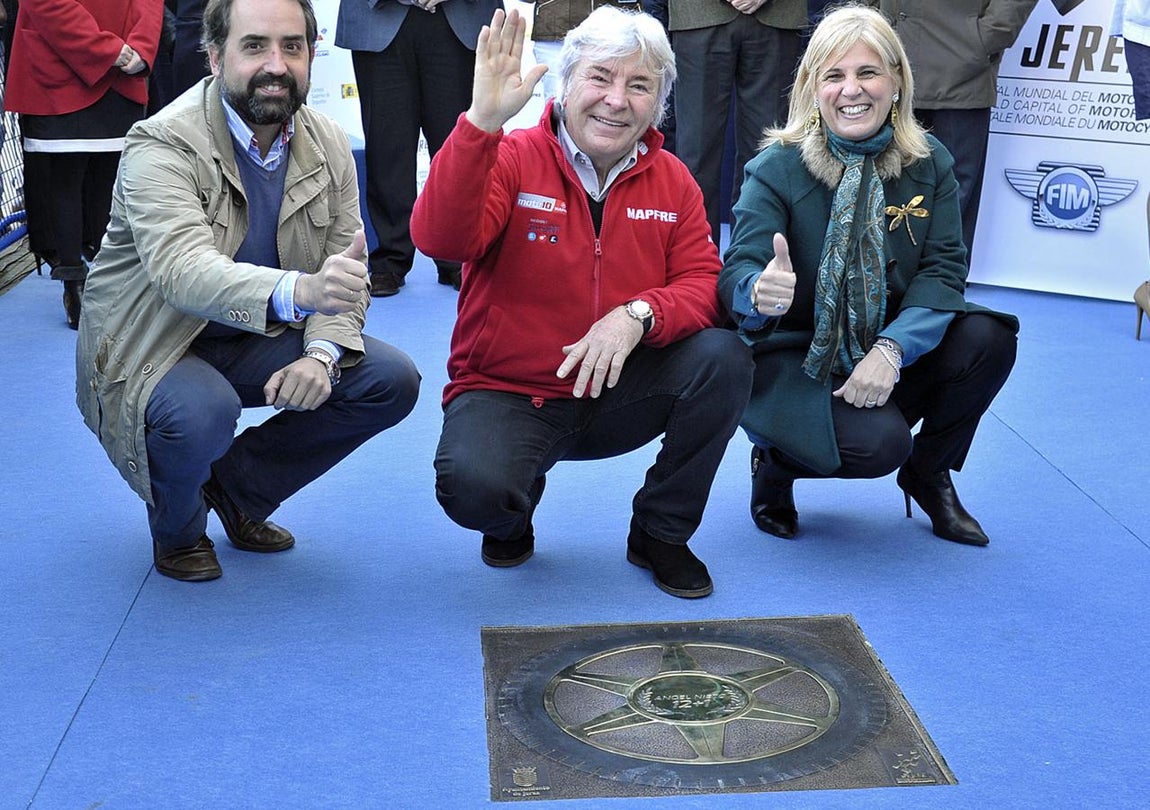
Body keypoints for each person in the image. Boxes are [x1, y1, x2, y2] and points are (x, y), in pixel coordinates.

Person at [411, 8, 753, 598]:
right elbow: (439, 240)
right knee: (474, 490)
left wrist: (636, 315)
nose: (616, 100)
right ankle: (512, 513)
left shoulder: (674, 180)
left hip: (622, 388)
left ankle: (660, 533)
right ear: (566, 83)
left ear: (659, 102)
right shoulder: (510, 155)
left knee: (725, 357)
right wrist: (479, 124)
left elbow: (703, 285)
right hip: (513, 389)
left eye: (639, 85)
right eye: (600, 78)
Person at [75, 0, 421, 582]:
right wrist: (302, 292)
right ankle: (179, 528)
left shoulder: (329, 142)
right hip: (153, 342)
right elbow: (182, 272)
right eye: (254, 46)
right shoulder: (161, 144)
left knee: (388, 380)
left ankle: (235, 493)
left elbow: (345, 274)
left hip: (253, 334)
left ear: (313, 55)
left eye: (293, 46)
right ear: (214, 57)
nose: (276, 65)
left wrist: (321, 354)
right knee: (204, 411)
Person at [719, 4, 1018, 547]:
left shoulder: (931, 162)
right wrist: (759, 293)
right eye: (834, 75)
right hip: (797, 354)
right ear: (813, 87)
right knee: (879, 447)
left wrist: (892, 348)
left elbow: (944, 268)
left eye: (867, 72)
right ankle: (776, 465)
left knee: (989, 337)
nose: (851, 90)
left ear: (897, 81)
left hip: (883, 347)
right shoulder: (776, 167)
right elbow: (737, 271)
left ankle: (931, 474)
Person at [4, 0, 162, 328]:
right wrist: (127, 49)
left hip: (78, 65)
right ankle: (91, 284)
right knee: (86, 184)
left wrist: (128, 49)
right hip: (89, 66)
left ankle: (82, 285)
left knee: (88, 185)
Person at [335, 0, 500, 297]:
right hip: (379, 16)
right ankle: (389, 258)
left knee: (460, 143)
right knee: (387, 143)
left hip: (460, 15)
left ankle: (458, 253)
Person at [869, 1, 1038, 263]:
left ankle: (941, 292)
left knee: (953, 198)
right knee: (885, 187)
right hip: (889, 62)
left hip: (959, 68)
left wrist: (986, 37)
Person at [668, 0, 807, 248]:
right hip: (697, 14)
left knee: (768, 154)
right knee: (696, 154)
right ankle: (693, 265)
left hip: (780, 13)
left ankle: (755, 263)